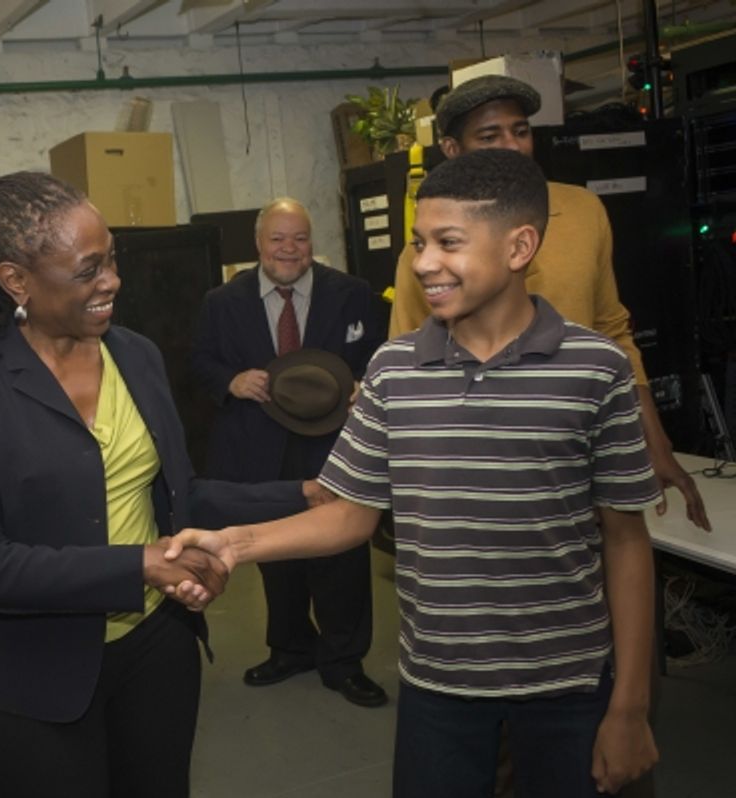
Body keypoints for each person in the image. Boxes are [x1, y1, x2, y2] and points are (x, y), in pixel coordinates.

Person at [167, 149, 661, 798]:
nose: (423, 262)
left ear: (520, 247)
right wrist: (233, 543)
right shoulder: (394, 372)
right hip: (438, 690)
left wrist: (628, 706)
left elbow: (626, 541)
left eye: (448, 242)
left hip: (569, 687)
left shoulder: (595, 370)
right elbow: (349, 513)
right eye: (419, 242)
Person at [0, 171, 324, 798]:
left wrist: (305, 493)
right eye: (87, 270)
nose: (111, 281)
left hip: (156, 652)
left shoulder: (134, 355)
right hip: (43, 676)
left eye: (111, 260)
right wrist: (138, 564)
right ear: (16, 281)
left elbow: (182, 495)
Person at [389, 74, 709, 534]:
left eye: (520, 131)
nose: (512, 147)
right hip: (489, 468)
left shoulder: (582, 212)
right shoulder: (425, 257)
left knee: (615, 571)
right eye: (489, 136)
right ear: (452, 150)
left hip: (587, 440)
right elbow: (409, 375)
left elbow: (613, 332)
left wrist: (654, 442)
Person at [190, 198, 387, 706]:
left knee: (342, 555)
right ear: (259, 244)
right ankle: (290, 647)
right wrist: (230, 380)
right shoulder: (221, 301)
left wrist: (366, 384)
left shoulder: (353, 294)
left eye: (299, 237)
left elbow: (380, 356)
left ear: (311, 241)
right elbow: (200, 362)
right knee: (275, 554)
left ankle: (344, 661)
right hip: (259, 445)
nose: (289, 249)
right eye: (278, 238)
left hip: (335, 447)